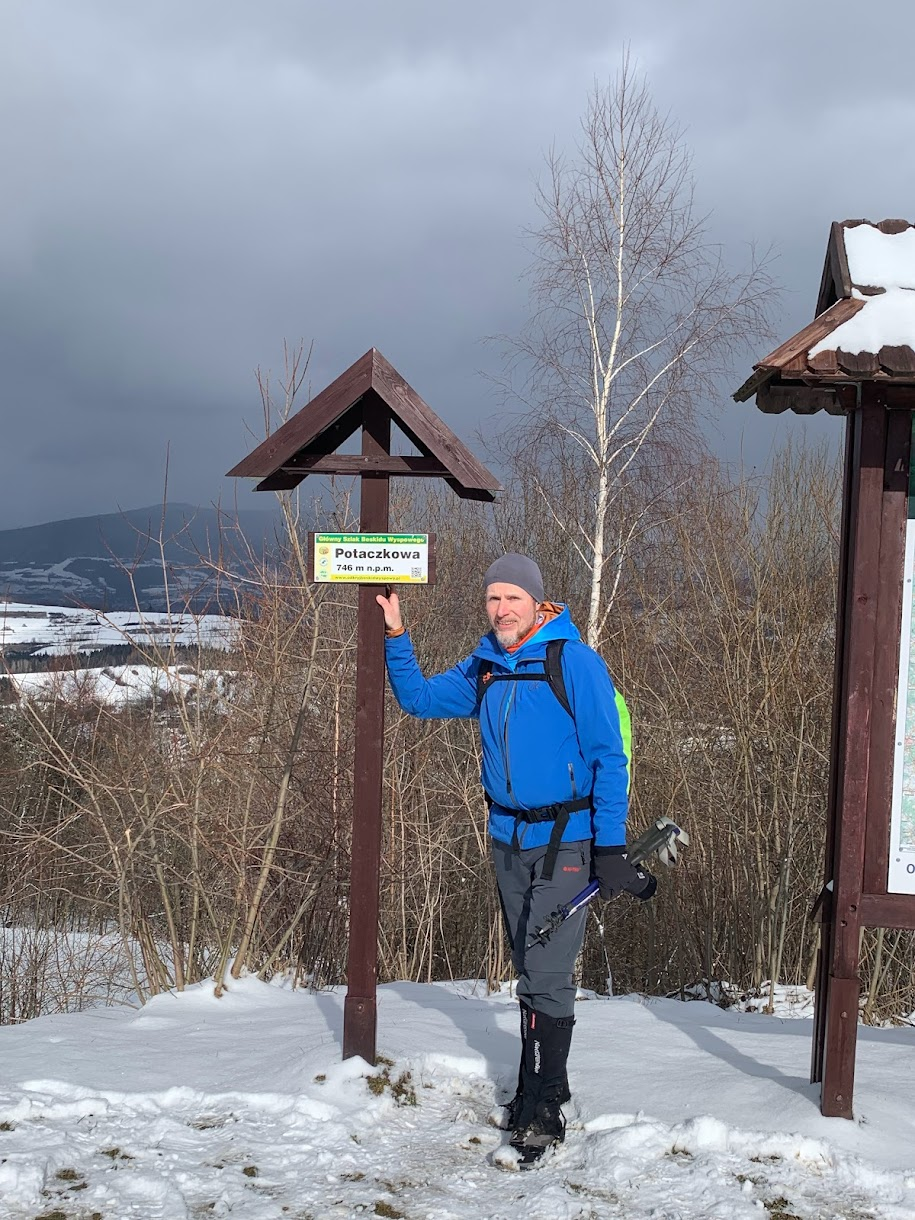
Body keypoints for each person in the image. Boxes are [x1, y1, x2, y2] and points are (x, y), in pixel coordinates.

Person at [376, 553, 655, 1164]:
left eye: (513, 599)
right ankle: (533, 1085)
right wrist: (398, 634)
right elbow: (420, 699)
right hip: (507, 840)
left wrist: (610, 844)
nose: (502, 609)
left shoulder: (572, 661)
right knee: (527, 962)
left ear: (538, 602)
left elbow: (611, 757)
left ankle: (546, 1102)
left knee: (547, 969)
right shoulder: (486, 667)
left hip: (570, 841)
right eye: (493, 599)